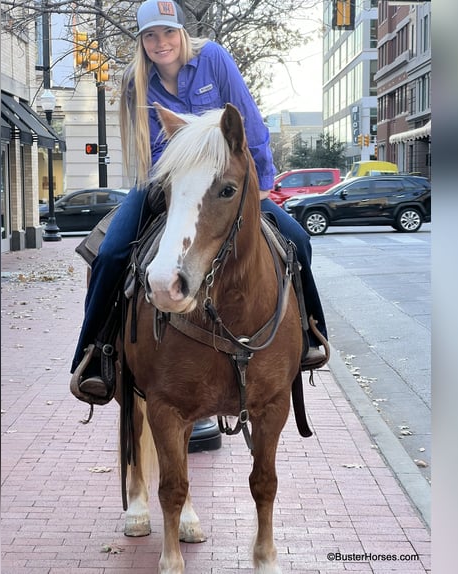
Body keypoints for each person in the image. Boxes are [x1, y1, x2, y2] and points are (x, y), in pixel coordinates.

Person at [70, 0, 328, 404]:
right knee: (111, 252)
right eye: (151, 35)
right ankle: (94, 354)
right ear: (142, 41)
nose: (161, 43)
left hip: (225, 179)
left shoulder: (213, 59)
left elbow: (249, 120)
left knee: (298, 238)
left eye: (168, 32)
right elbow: (150, 148)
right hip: (168, 178)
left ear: (182, 33)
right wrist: (179, 179)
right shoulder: (136, 81)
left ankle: (313, 334)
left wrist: (261, 182)